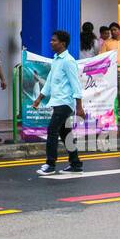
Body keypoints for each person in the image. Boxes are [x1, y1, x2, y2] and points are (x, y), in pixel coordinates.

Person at [35, 30, 85, 175]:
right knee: (65, 133)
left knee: (52, 130)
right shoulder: (56, 59)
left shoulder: (68, 61)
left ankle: (50, 164)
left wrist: (79, 107)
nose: (51, 42)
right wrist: (39, 99)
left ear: (62, 44)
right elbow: (49, 82)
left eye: (54, 40)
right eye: (51, 40)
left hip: (65, 103)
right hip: (58, 101)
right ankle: (75, 163)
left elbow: (76, 84)